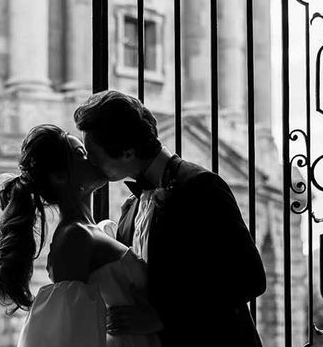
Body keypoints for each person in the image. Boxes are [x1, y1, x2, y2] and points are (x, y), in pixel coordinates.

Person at [74, 90, 266, 347]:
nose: (92, 165)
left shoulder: (201, 186)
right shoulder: (129, 208)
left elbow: (249, 278)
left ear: (127, 152)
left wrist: (163, 317)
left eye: (96, 157)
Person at [0, 124, 162, 347]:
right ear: (60, 176)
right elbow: (69, 335)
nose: (93, 158)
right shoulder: (75, 238)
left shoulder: (94, 231)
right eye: (81, 155)